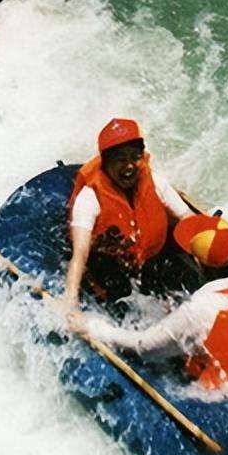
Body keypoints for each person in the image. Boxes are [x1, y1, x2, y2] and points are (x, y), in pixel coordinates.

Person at [68, 215, 228, 391]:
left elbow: (142, 347)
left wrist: (92, 326)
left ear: (198, 263)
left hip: (227, 390)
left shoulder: (199, 309)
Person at [63, 118, 199, 316]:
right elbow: (80, 253)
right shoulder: (90, 198)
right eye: (120, 160)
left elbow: (188, 217)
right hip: (111, 266)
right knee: (119, 292)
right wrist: (70, 299)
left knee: (178, 267)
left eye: (134, 157)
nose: (129, 167)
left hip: (150, 261)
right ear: (105, 163)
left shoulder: (155, 182)